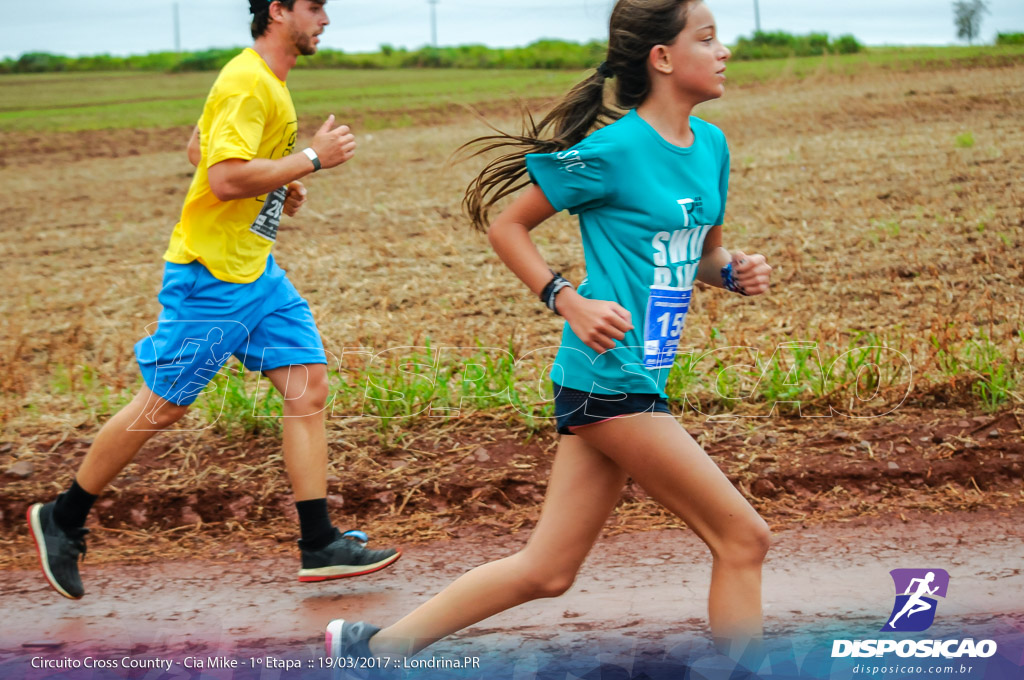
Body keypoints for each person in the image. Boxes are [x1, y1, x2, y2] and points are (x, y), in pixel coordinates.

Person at [325, 0, 772, 662]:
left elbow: (697, 256)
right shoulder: (613, 151)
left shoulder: (711, 147)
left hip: (635, 376)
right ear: (664, 58)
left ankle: (373, 650)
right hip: (609, 377)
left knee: (548, 570)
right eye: (707, 38)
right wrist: (567, 298)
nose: (724, 50)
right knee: (744, 540)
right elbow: (508, 226)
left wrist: (731, 273)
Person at [27, 0, 400, 601]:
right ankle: (63, 518)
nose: (325, 18)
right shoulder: (247, 81)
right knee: (163, 407)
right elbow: (223, 179)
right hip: (211, 278)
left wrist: (281, 179)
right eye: (314, 6)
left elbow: (199, 150)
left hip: (256, 275)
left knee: (308, 386)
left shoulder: (265, 81)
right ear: (278, 10)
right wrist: (309, 158)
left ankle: (319, 543)